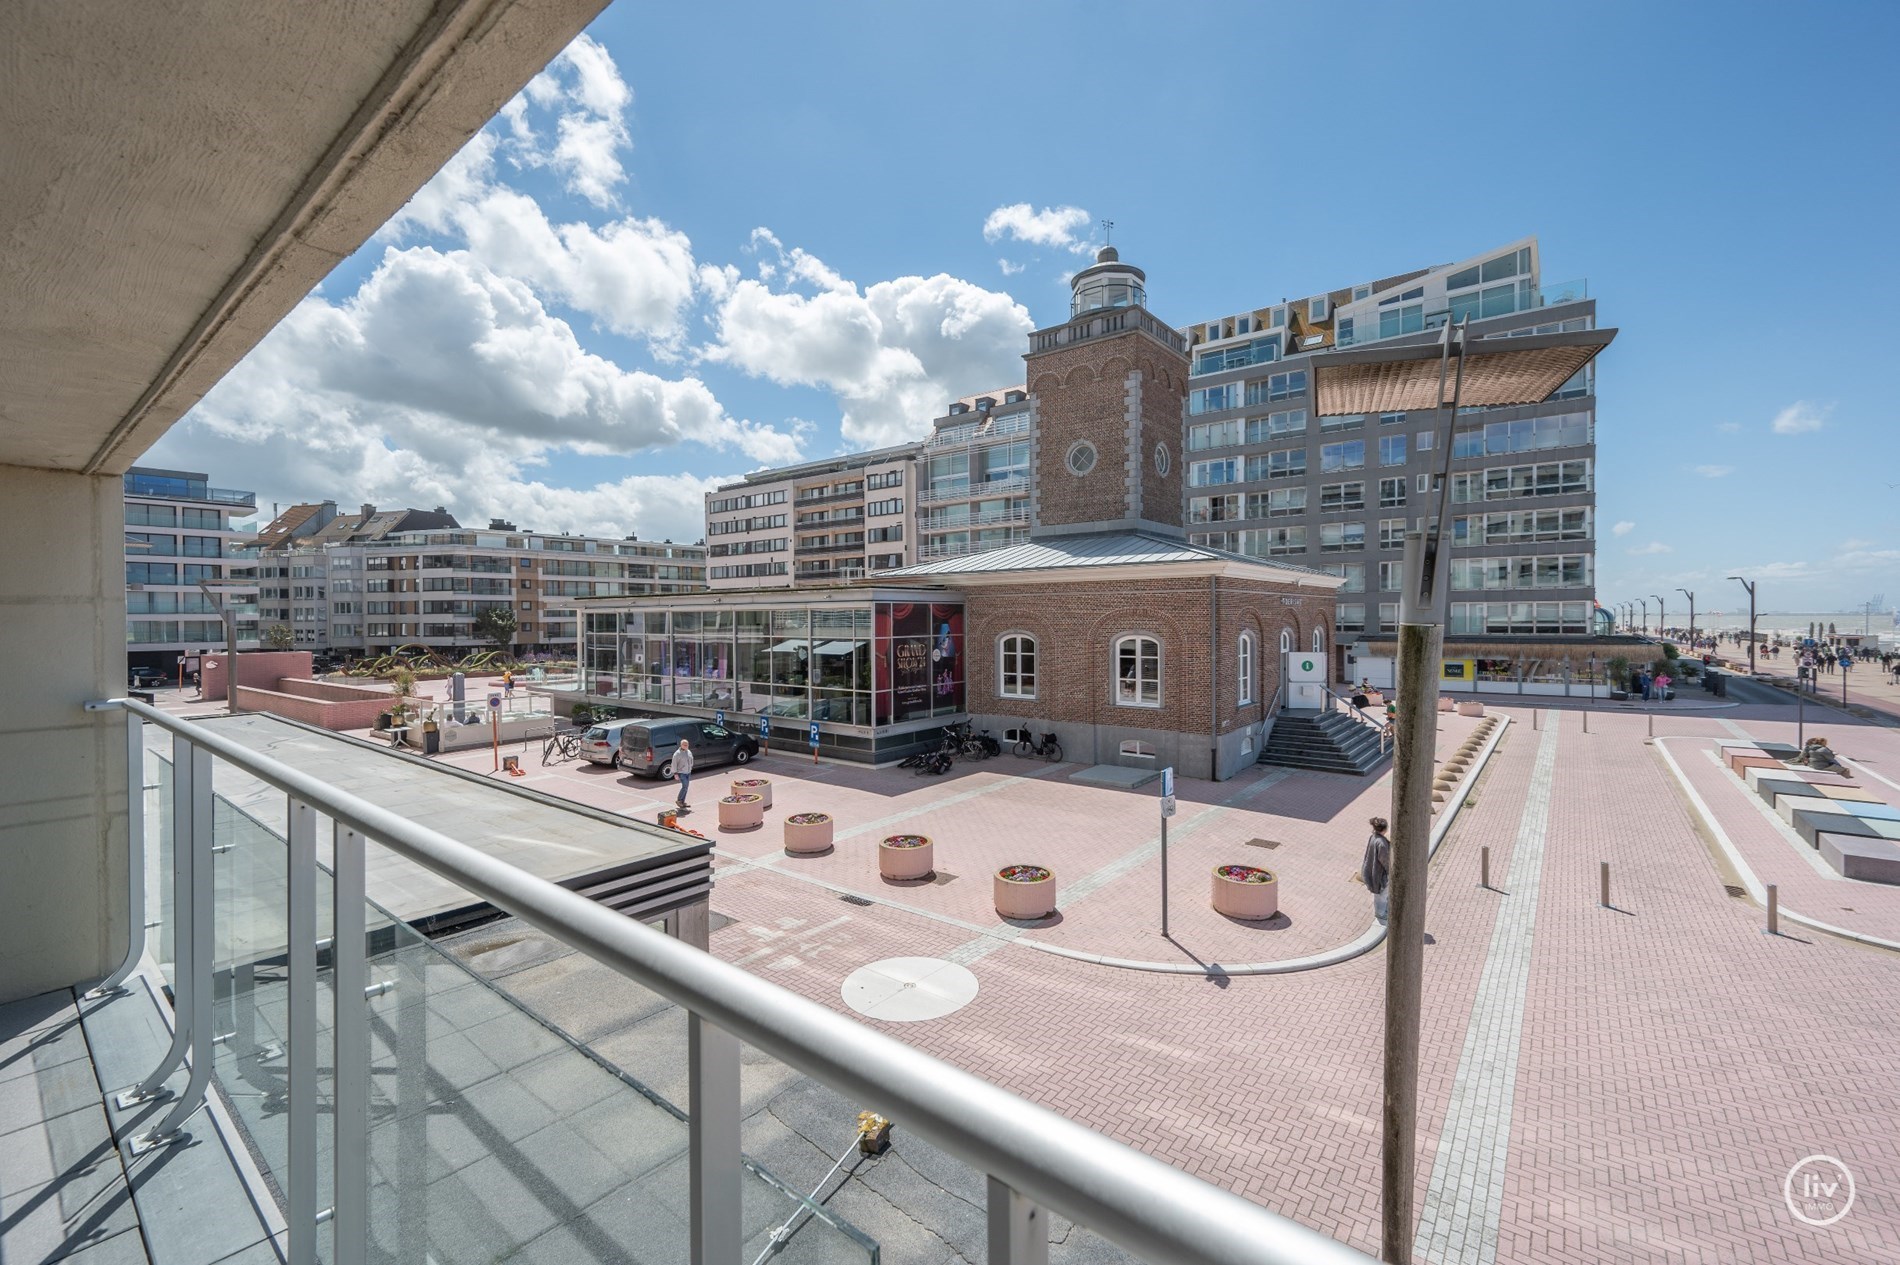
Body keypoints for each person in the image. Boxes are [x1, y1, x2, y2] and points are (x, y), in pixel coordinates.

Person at [1361, 817, 1392, 924]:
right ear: (1385, 828)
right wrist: (1391, 873)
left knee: (1379, 895)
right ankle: (1381, 913)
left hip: (1371, 871)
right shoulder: (1381, 843)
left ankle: (1381, 911)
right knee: (1382, 895)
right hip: (1379, 875)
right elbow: (1385, 861)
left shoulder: (1373, 837)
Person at [672, 737, 695, 811]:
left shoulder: (689, 752)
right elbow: (674, 764)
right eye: (684, 745)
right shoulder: (677, 754)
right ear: (681, 745)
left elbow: (691, 760)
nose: (686, 746)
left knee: (686, 787)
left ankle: (682, 801)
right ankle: (679, 800)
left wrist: (691, 767)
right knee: (685, 786)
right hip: (681, 773)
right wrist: (675, 773)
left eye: (687, 745)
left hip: (688, 772)